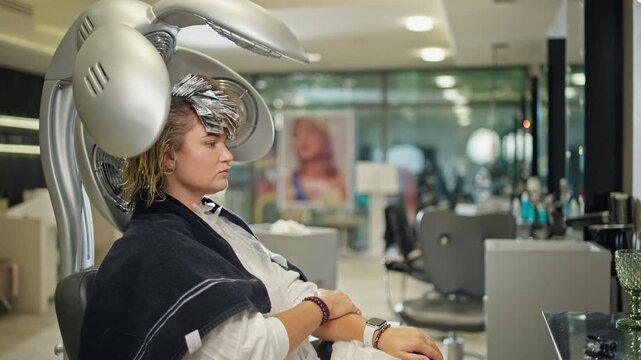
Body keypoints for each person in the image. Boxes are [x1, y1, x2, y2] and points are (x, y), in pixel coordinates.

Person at [78, 74, 443, 360]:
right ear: (168, 157)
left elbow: (289, 292)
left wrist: (377, 334)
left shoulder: (218, 222)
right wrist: (319, 307)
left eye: (225, 143)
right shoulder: (153, 246)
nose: (228, 156)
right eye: (210, 144)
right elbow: (251, 349)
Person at [286, 116, 347, 208]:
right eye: (297, 135)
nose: (302, 140)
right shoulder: (289, 182)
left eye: (309, 132)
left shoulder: (342, 182)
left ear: (325, 136)